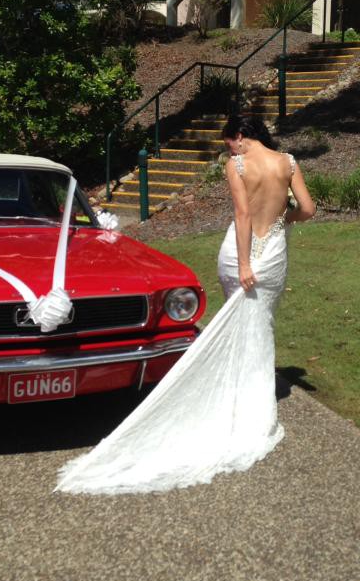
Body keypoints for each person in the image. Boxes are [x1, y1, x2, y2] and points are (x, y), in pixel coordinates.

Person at [54, 116, 316, 495]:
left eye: (229, 142)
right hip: (272, 252)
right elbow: (307, 208)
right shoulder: (287, 162)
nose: (229, 149)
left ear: (240, 136)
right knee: (261, 325)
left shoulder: (238, 165)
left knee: (242, 323)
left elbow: (243, 214)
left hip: (239, 254)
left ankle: (235, 396)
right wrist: (283, 219)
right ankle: (249, 400)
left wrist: (244, 263)